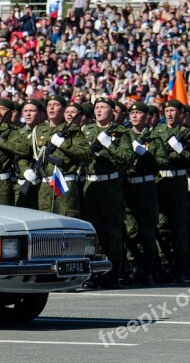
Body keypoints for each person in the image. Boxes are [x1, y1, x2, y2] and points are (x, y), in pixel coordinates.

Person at [81, 98, 133, 288]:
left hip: (110, 186)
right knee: (94, 234)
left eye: (104, 107)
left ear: (113, 112)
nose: (100, 110)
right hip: (90, 186)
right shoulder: (86, 131)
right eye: (97, 107)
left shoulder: (120, 132)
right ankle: (95, 274)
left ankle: (113, 275)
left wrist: (109, 145)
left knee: (113, 233)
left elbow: (128, 158)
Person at [151, 99, 190, 283]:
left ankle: (180, 268)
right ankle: (165, 264)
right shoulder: (157, 131)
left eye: (173, 111)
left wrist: (180, 151)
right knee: (161, 226)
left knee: (179, 227)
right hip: (160, 180)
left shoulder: (187, 134)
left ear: (181, 114)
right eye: (167, 110)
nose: (170, 114)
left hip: (178, 181)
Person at [30, 95, 90, 218]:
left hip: (64, 182)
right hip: (45, 184)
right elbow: (25, 153)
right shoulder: (38, 130)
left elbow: (87, 154)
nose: (51, 107)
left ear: (63, 109)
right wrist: (27, 168)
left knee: (66, 221)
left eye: (56, 105)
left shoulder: (72, 130)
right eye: (49, 105)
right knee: (44, 223)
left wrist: (63, 144)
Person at [122, 102, 161, 286]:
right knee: (131, 229)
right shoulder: (124, 135)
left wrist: (145, 154)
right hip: (129, 187)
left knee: (147, 231)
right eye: (132, 113)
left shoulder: (154, 136)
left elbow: (161, 162)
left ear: (146, 116)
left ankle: (147, 270)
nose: (135, 116)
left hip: (146, 188)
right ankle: (134, 266)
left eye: (138, 113)